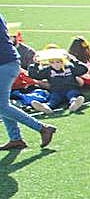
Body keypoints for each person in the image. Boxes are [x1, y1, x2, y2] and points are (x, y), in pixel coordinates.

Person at [0, 12, 55, 151]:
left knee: (2, 105)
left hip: (4, 64)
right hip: (8, 62)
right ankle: (15, 139)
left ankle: (42, 128)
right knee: (3, 104)